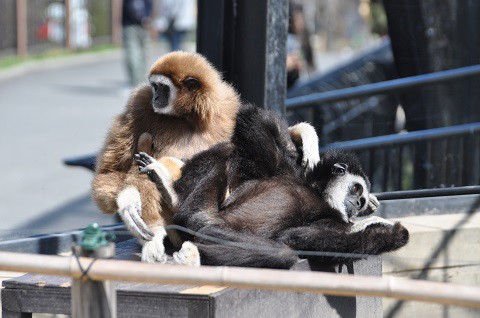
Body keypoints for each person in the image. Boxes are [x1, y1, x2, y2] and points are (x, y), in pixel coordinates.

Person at [122, 0, 153, 87]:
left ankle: (138, 83)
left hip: (135, 25)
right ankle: (140, 82)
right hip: (136, 24)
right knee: (138, 55)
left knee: (138, 54)